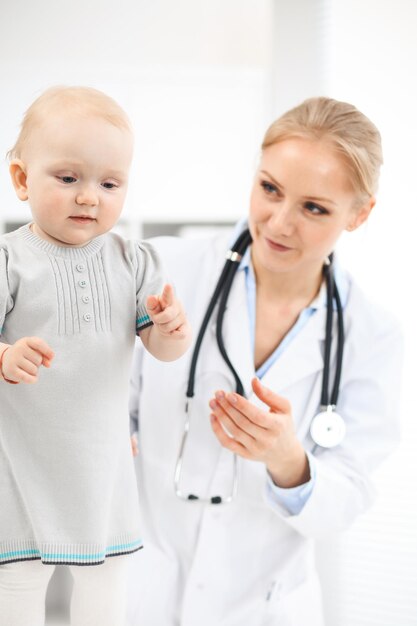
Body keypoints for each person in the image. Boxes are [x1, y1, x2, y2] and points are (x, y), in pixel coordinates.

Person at [127, 97, 403, 626]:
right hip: (143, 591)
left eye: (314, 207)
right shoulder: (165, 270)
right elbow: (107, 405)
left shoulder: (373, 336)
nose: (279, 222)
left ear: (360, 214)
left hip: (266, 607)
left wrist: (288, 461)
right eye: (269, 189)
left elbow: (347, 500)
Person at [0, 86, 191, 626]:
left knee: (105, 578)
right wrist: (6, 355)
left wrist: (171, 329)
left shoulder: (133, 260)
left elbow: (162, 348)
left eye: (109, 184)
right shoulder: (12, 261)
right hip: (21, 457)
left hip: (100, 460)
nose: (90, 197)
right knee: (20, 574)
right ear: (21, 179)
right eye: (68, 179)